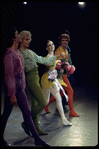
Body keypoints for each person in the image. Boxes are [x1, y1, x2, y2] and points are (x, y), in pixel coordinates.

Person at [1, 26, 50, 146]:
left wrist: (22, 87)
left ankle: (37, 140)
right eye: (17, 34)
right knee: (6, 114)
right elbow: (9, 76)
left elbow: (22, 73)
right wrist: (12, 94)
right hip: (11, 88)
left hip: (19, 87)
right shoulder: (9, 54)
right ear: (14, 38)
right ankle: (0, 139)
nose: (19, 36)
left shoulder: (17, 52)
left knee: (27, 113)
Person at [19, 30, 66, 136]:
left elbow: (42, 60)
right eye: (26, 39)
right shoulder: (19, 53)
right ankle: (27, 122)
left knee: (36, 104)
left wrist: (57, 57)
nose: (29, 41)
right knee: (43, 102)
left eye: (29, 39)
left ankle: (36, 128)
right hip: (31, 79)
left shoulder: (29, 51)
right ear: (21, 40)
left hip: (36, 77)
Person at [44, 32, 79, 117]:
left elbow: (67, 62)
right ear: (60, 41)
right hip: (60, 75)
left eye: (66, 40)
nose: (64, 42)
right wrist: (65, 66)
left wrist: (70, 67)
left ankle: (45, 106)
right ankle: (71, 111)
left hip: (64, 74)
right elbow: (56, 64)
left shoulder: (66, 50)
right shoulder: (58, 51)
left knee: (61, 93)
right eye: (63, 40)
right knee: (70, 91)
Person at [41, 40, 72, 126]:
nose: (51, 46)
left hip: (52, 79)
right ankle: (63, 119)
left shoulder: (53, 56)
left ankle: (63, 119)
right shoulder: (48, 56)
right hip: (48, 79)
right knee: (49, 100)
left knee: (48, 100)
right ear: (46, 48)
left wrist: (63, 67)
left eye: (52, 44)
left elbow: (54, 68)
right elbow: (48, 68)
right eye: (49, 45)